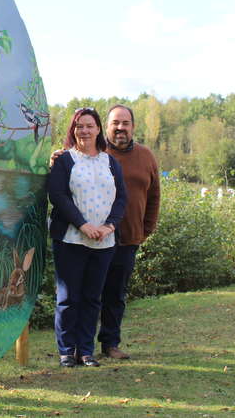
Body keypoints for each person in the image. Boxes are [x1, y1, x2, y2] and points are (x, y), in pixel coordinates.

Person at [47, 107, 126, 368]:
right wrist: (83, 225)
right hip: (71, 239)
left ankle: (86, 350)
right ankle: (67, 351)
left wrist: (108, 226)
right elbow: (58, 196)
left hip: (104, 242)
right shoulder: (64, 160)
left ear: (98, 129)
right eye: (79, 126)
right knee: (69, 297)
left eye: (89, 125)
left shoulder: (110, 162)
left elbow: (122, 198)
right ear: (73, 130)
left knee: (93, 298)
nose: (84, 130)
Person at [97, 104, 160, 359]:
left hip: (128, 239)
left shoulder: (146, 157)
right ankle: (79, 346)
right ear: (107, 127)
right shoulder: (94, 153)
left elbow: (154, 196)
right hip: (94, 238)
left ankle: (110, 344)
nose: (120, 128)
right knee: (89, 293)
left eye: (125, 123)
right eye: (115, 123)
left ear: (133, 127)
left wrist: (145, 231)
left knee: (115, 295)